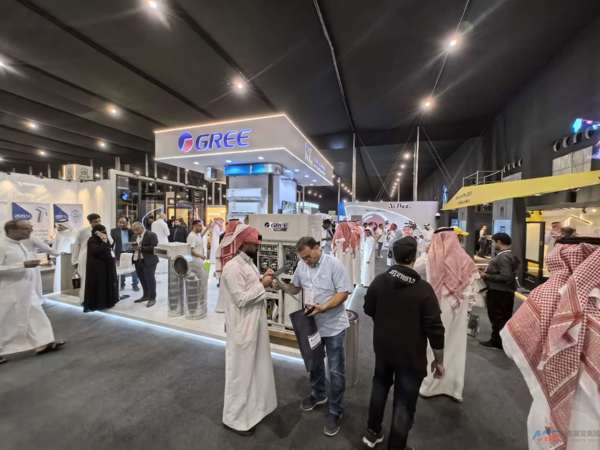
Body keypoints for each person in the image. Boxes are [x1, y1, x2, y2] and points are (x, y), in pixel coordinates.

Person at [362, 237, 445, 449]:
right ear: (414, 257)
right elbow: (435, 329)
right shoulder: (424, 290)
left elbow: (368, 309)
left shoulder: (379, 281)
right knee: (404, 401)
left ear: (394, 255)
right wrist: (439, 360)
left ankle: (372, 432)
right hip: (411, 356)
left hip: (383, 349)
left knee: (379, 387)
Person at [274, 236, 353, 437]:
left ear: (318, 248)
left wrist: (323, 307)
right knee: (314, 362)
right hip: (312, 325)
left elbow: (344, 293)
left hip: (334, 327)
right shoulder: (302, 266)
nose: (306, 261)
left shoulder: (334, 264)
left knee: (335, 370)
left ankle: (335, 411)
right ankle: (318, 394)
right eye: (303, 258)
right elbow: (295, 288)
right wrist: (280, 285)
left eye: (309, 256)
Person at [219, 225, 277, 435]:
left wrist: (263, 279)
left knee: (254, 371)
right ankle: (234, 419)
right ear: (244, 243)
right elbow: (241, 299)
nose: (257, 246)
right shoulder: (232, 268)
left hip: (254, 326)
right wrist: (263, 284)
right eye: (254, 244)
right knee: (240, 375)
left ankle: (252, 413)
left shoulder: (249, 264)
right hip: (242, 329)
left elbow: (250, 287)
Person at [416, 229, 483, 402]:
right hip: (459, 311)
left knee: (435, 344)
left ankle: (430, 386)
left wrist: (426, 252)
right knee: (456, 346)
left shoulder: (430, 259)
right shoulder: (466, 260)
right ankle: (453, 387)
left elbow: (415, 269)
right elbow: (472, 290)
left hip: (436, 308)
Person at [0, 220, 65, 364]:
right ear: (12, 230)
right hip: (8, 290)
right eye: (26, 229)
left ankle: (44, 343)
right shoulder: (2, 245)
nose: (30, 231)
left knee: (36, 315)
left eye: (30, 228)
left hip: (26, 289)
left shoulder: (19, 244)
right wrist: (22, 265)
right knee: (5, 320)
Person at [479, 232, 521, 349]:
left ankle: (497, 341)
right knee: (502, 317)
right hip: (504, 292)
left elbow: (506, 276)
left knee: (497, 317)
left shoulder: (503, 257)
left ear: (499, 242)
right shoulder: (508, 255)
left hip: (499, 292)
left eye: (493, 242)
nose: (492, 244)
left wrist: (487, 275)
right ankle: (500, 341)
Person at [72, 213, 112, 303]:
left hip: (99, 259)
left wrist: (104, 236)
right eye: (95, 222)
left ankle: (97, 300)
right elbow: (76, 246)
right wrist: (74, 261)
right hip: (85, 259)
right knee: (85, 279)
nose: (98, 223)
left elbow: (109, 242)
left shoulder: (103, 229)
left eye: (99, 221)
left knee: (97, 280)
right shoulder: (82, 231)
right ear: (90, 222)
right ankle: (84, 299)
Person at [84, 224, 119, 312]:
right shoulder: (92, 240)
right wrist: (104, 241)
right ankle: (100, 303)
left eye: (104, 230)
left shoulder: (104, 239)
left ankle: (108, 302)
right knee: (100, 285)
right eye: (101, 231)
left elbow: (109, 248)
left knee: (107, 284)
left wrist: (109, 240)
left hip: (106, 266)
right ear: (96, 232)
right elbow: (97, 251)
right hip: (97, 268)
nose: (103, 232)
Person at [131, 222, 159, 308]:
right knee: (142, 279)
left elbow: (154, 248)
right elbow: (134, 247)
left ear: (142, 227)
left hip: (149, 260)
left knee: (150, 279)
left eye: (137, 230)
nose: (135, 232)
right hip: (137, 260)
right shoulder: (134, 236)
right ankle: (146, 295)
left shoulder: (151, 235)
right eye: (134, 230)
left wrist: (141, 248)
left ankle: (152, 298)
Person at [110, 217, 139, 292]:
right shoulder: (113, 231)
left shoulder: (131, 231)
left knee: (134, 269)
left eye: (123, 222)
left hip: (130, 252)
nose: (121, 224)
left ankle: (135, 285)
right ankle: (122, 284)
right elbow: (112, 243)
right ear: (117, 223)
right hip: (120, 253)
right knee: (121, 269)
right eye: (120, 222)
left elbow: (136, 240)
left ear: (127, 223)